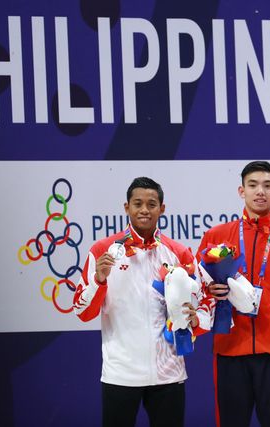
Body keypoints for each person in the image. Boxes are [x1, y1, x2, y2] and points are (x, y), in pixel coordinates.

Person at [72, 177, 209, 427]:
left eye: (151, 204)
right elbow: (81, 311)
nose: (144, 210)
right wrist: (98, 279)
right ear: (127, 207)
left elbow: (200, 305)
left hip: (168, 374)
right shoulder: (103, 250)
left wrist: (195, 318)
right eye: (137, 203)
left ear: (162, 208)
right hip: (121, 375)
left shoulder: (178, 253)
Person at [196, 161, 270, 427]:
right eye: (253, 185)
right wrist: (209, 291)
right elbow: (197, 294)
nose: (260, 191)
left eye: (267, 185)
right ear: (242, 191)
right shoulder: (217, 237)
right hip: (230, 351)